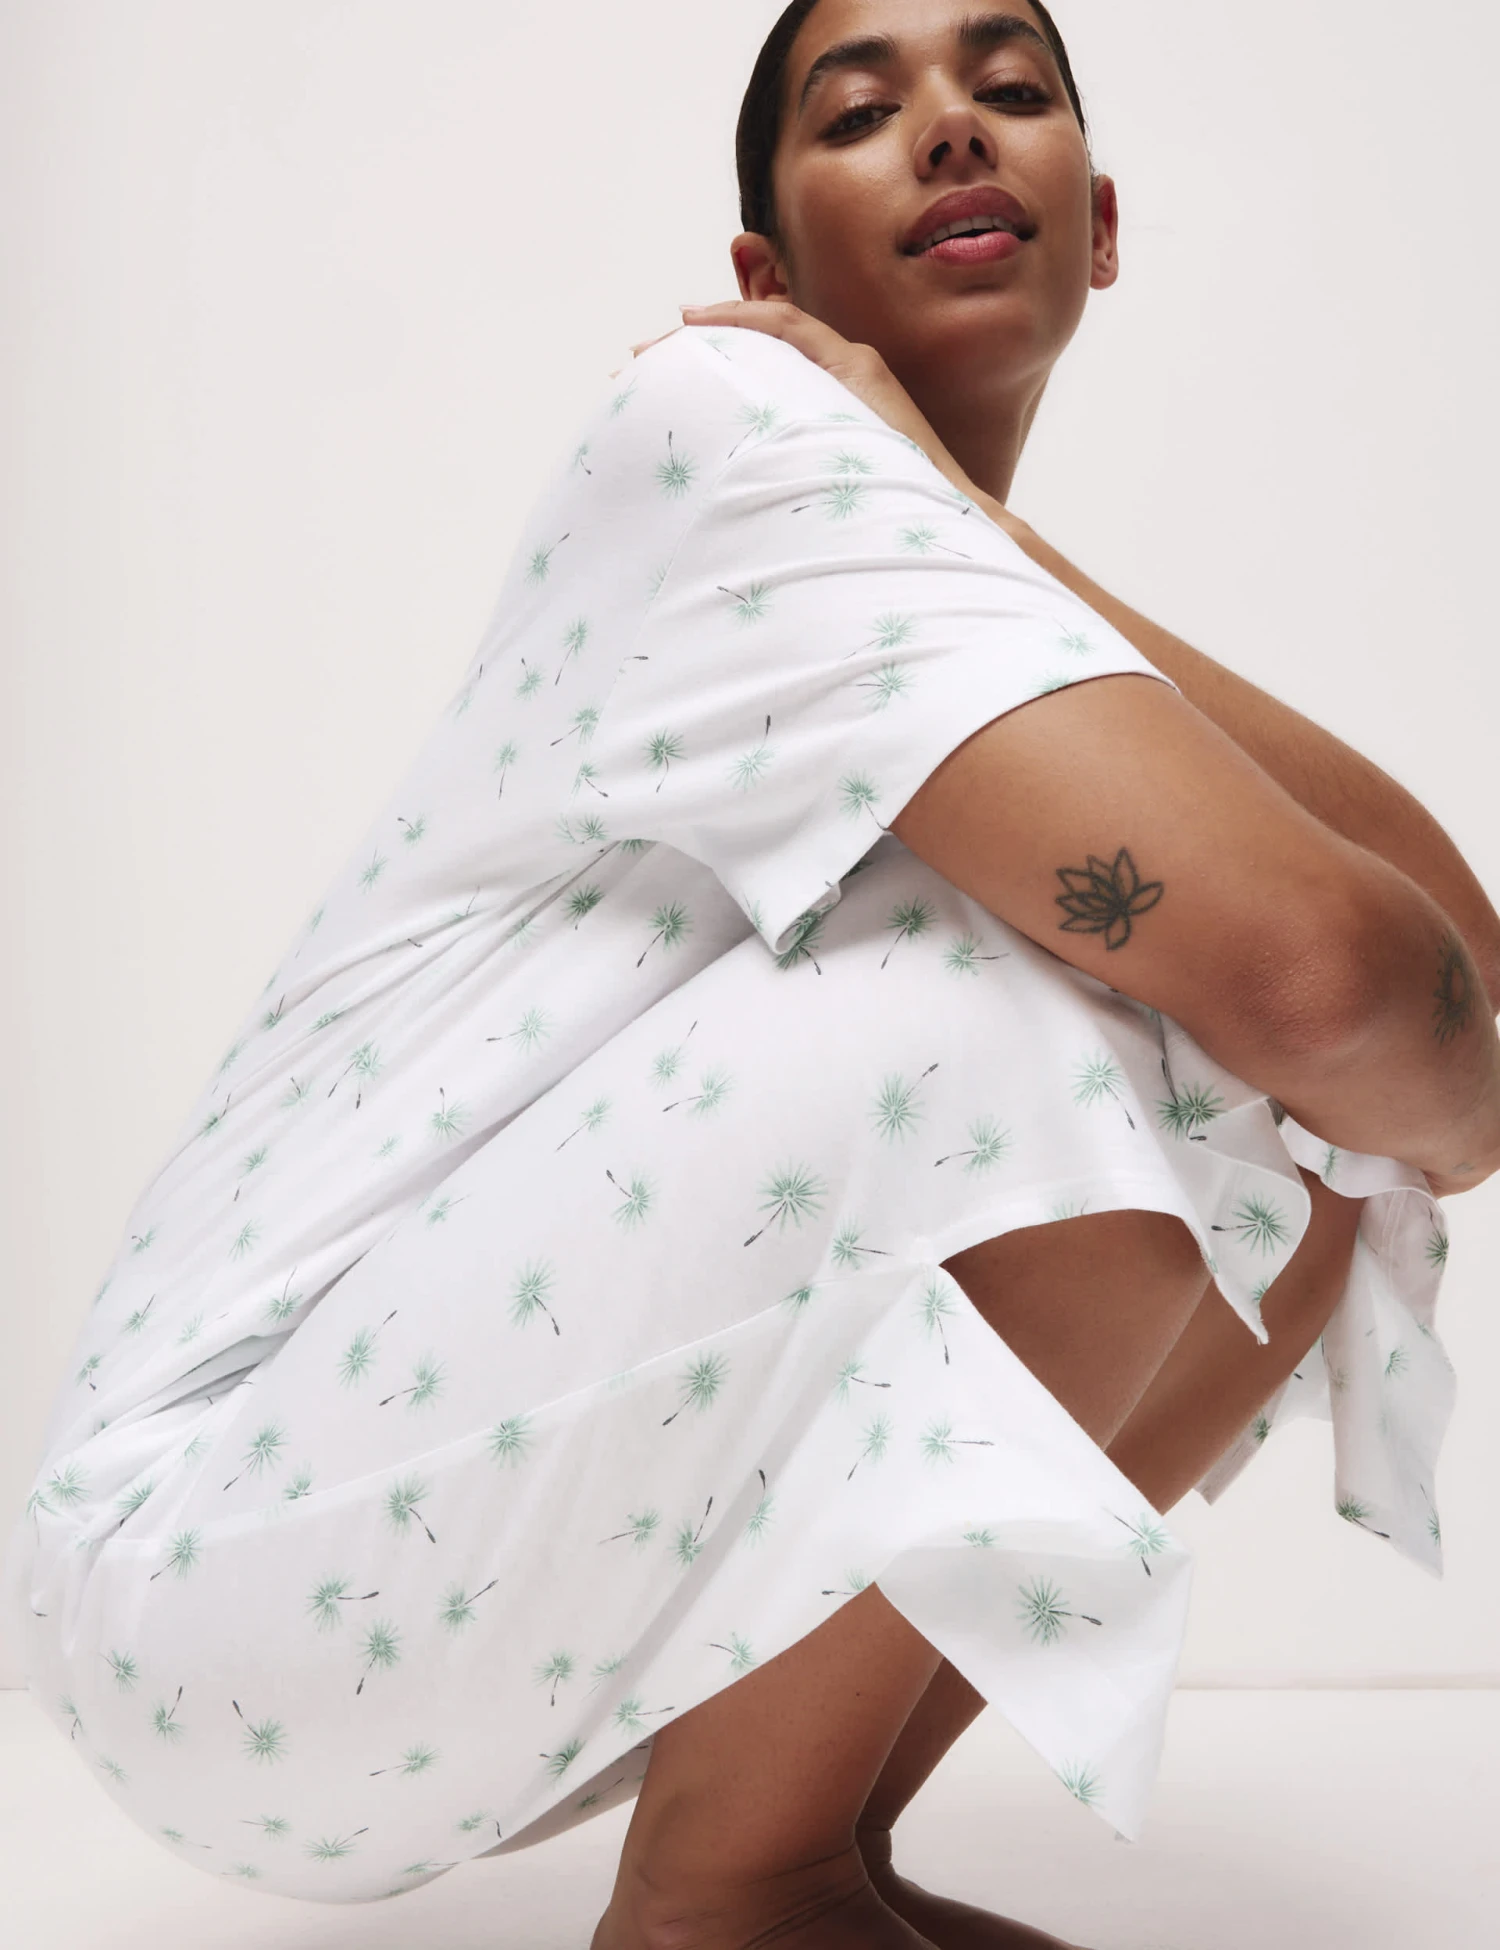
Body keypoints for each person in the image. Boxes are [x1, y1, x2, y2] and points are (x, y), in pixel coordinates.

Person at [7, 3, 1500, 1946]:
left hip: (393, 1584)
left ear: (1103, 221)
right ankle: (735, 1898)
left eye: (1012, 90)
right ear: (765, 277)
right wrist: (1388, 1046)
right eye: (862, 111)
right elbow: (1342, 992)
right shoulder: (729, 427)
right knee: (1062, 1031)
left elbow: (1453, 1011)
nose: (951, 130)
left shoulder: (925, 553)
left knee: (1295, 1166)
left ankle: (811, 1848)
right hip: (210, 1568)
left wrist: (972, 517)